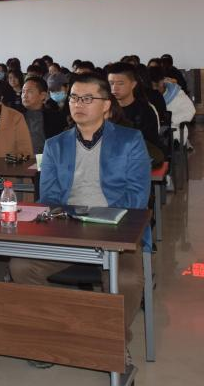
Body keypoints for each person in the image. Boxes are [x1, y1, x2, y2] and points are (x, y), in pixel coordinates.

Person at [9, 73, 150, 362]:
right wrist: (70, 222)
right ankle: (58, 329)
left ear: (106, 105)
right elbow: (49, 197)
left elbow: (137, 198)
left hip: (118, 229)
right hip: (68, 229)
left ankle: (113, 339)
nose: (78, 104)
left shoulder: (130, 140)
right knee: (21, 266)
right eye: (74, 98)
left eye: (87, 99)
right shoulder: (55, 144)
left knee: (126, 279)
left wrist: (101, 222)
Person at [107, 62, 166, 162]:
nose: (114, 88)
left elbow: (149, 145)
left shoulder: (146, 111)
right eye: (111, 83)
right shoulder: (105, 109)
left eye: (120, 83)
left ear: (133, 84)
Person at [21, 76, 67, 154]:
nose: (24, 95)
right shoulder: (16, 116)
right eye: (23, 91)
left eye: (29, 92)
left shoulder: (56, 118)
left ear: (43, 95)